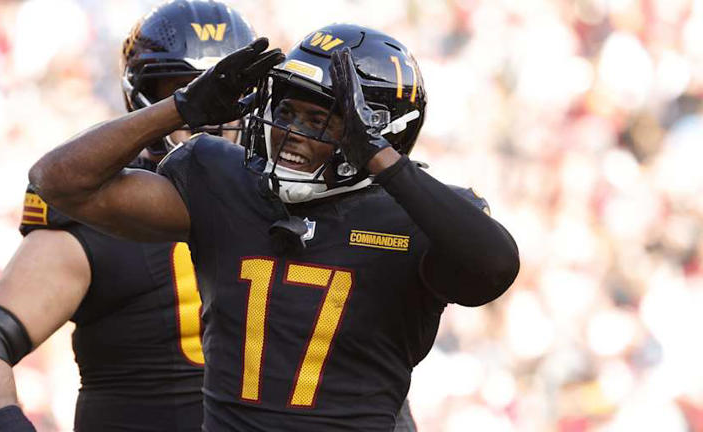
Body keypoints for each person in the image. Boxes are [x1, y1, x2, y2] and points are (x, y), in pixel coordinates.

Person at [27, 23, 519, 431]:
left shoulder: (421, 213)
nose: (289, 132)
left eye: (322, 120)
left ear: (379, 131)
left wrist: (383, 162)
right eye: (286, 111)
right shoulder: (223, 179)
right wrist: (179, 108)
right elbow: (59, 181)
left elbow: (495, 268)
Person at [0, 1, 256, 431]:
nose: (212, 115)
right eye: (189, 92)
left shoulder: (280, 199)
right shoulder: (102, 208)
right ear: (144, 97)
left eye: (225, 96)